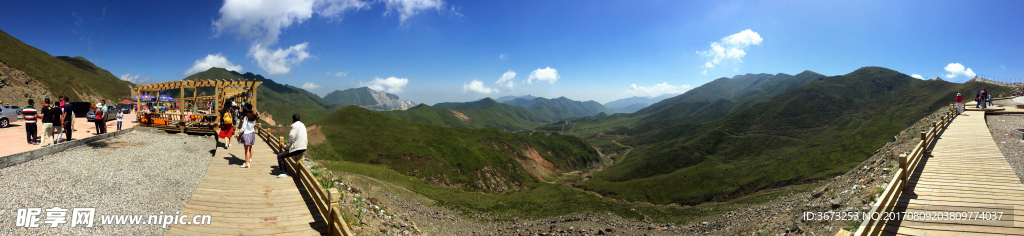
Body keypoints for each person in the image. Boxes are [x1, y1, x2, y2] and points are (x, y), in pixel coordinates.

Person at [277, 114, 308, 178]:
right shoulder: (302, 125)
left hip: (298, 148)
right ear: (300, 120)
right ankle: (297, 173)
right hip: (304, 147)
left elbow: (291, 137)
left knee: (280, 156)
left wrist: (287, 147)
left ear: (292, 120)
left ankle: (284, 172)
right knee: (291, 153)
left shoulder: (294, 125)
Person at [236, 103, 257, 168]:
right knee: (250, 147)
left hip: (247, 133)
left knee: (246, 149)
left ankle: (246, 163)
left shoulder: (246, 117)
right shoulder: (253, 116)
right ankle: (250, 159)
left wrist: (238, 133)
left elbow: (243, 127)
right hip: (252, 133)